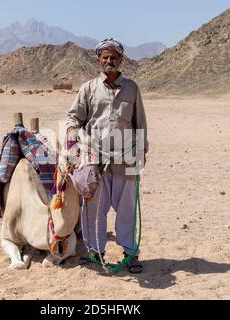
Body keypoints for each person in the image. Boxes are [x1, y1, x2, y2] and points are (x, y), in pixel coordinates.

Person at [65, 38, 148, 273]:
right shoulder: (88, 88)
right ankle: (95, 251)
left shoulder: (132, 88)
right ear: (99, 60)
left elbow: (139, 122)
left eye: (113, 58)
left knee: (127, 209)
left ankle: (130, 253)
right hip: (95, 159)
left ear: (121, 60)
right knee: (93, 209)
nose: (109, 61)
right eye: (105, 57)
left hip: (127, 157)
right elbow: (74, 117)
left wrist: (142, 150)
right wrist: (72, 135)